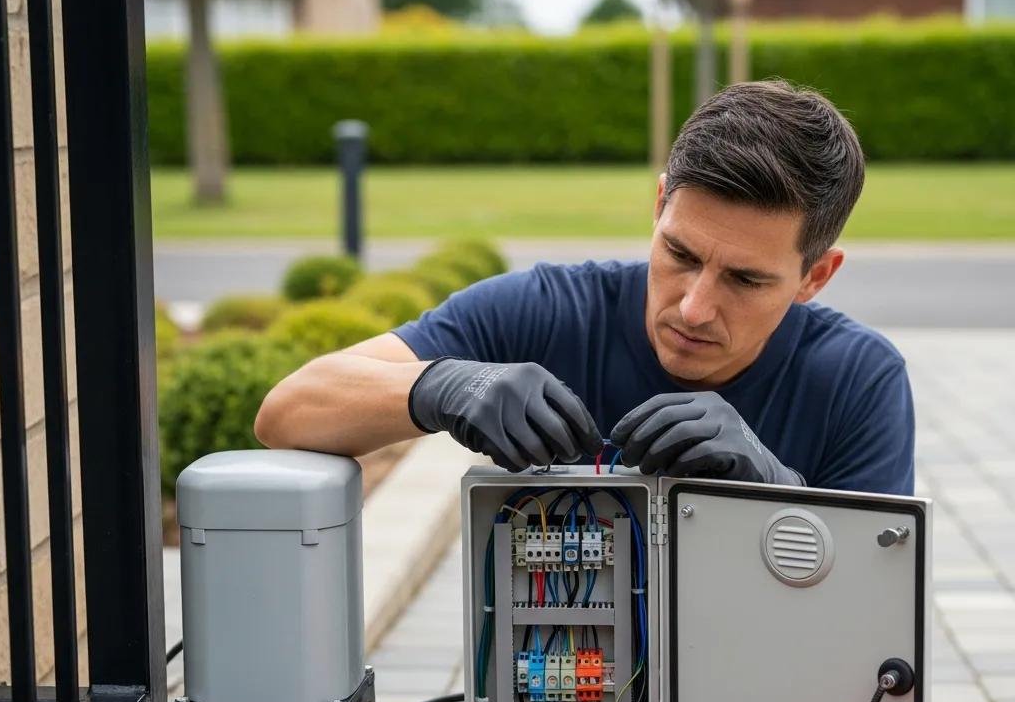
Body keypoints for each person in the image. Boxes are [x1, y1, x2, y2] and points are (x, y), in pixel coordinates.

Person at [254, 79, 914, 495]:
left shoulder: (857, 379)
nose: (694, 306)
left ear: (815, 277)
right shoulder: (547, 313)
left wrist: (775, 493)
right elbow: (286, 412)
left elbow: (874, 622)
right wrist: (443, 385)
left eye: (746, 279)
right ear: (660, 207)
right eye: (679, 253)